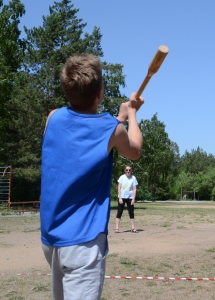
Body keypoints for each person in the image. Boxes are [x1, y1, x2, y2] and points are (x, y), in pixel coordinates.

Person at [40, 54, 144, 300]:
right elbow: (135, 150)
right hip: (83, 243)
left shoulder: (52, 118)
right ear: (100, 94)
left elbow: (91, 133)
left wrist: (118, 119)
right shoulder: (111, 129)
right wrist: (132, 114)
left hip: (51, 239)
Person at [115, 165, 139, 233]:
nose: (128, 171)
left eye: (129, 170)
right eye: (126, 170)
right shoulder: (122, 177)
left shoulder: (133, 178)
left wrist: (133, 199)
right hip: (122, 197)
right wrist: (120, 198)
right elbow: (119, 187)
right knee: (119, 212)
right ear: (124, 170)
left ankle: (133, 228)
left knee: (131, 212)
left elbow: (134, 189)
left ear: (131, 171)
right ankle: (117, 228)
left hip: (130, 197)